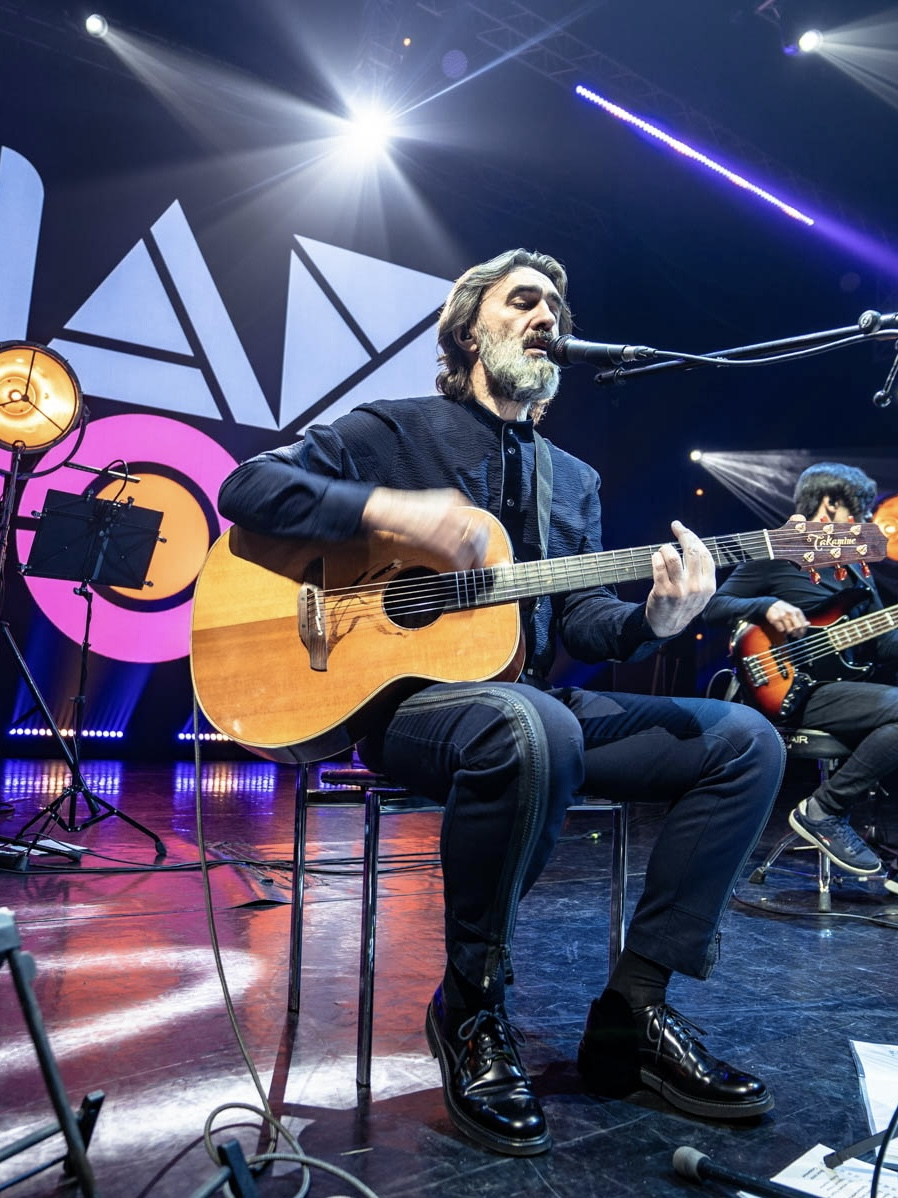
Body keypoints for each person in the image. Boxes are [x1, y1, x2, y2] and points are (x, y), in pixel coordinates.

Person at [218, 248, 785, 1156]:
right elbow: (246, 488)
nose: (545, 316)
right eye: (523, 301)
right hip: (408, 709)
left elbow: (582, 622)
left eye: (556, 306)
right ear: (469, 330)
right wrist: (388, 512)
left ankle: (633, 1013)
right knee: (533, 725)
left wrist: (655, 619)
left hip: (528, 704)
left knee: (746, 741)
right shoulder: (393, 430)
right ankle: (472, 1004)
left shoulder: (575, 480)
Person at [703, 462, 898, 914]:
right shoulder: (779, 550)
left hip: (847, 691)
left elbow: (883, 644)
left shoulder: (857, 571)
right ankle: (825, 808)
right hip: (796, 692)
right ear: (830, 505)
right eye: (858, 512)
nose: (864, 523)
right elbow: (712, 606)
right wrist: (767, 605)